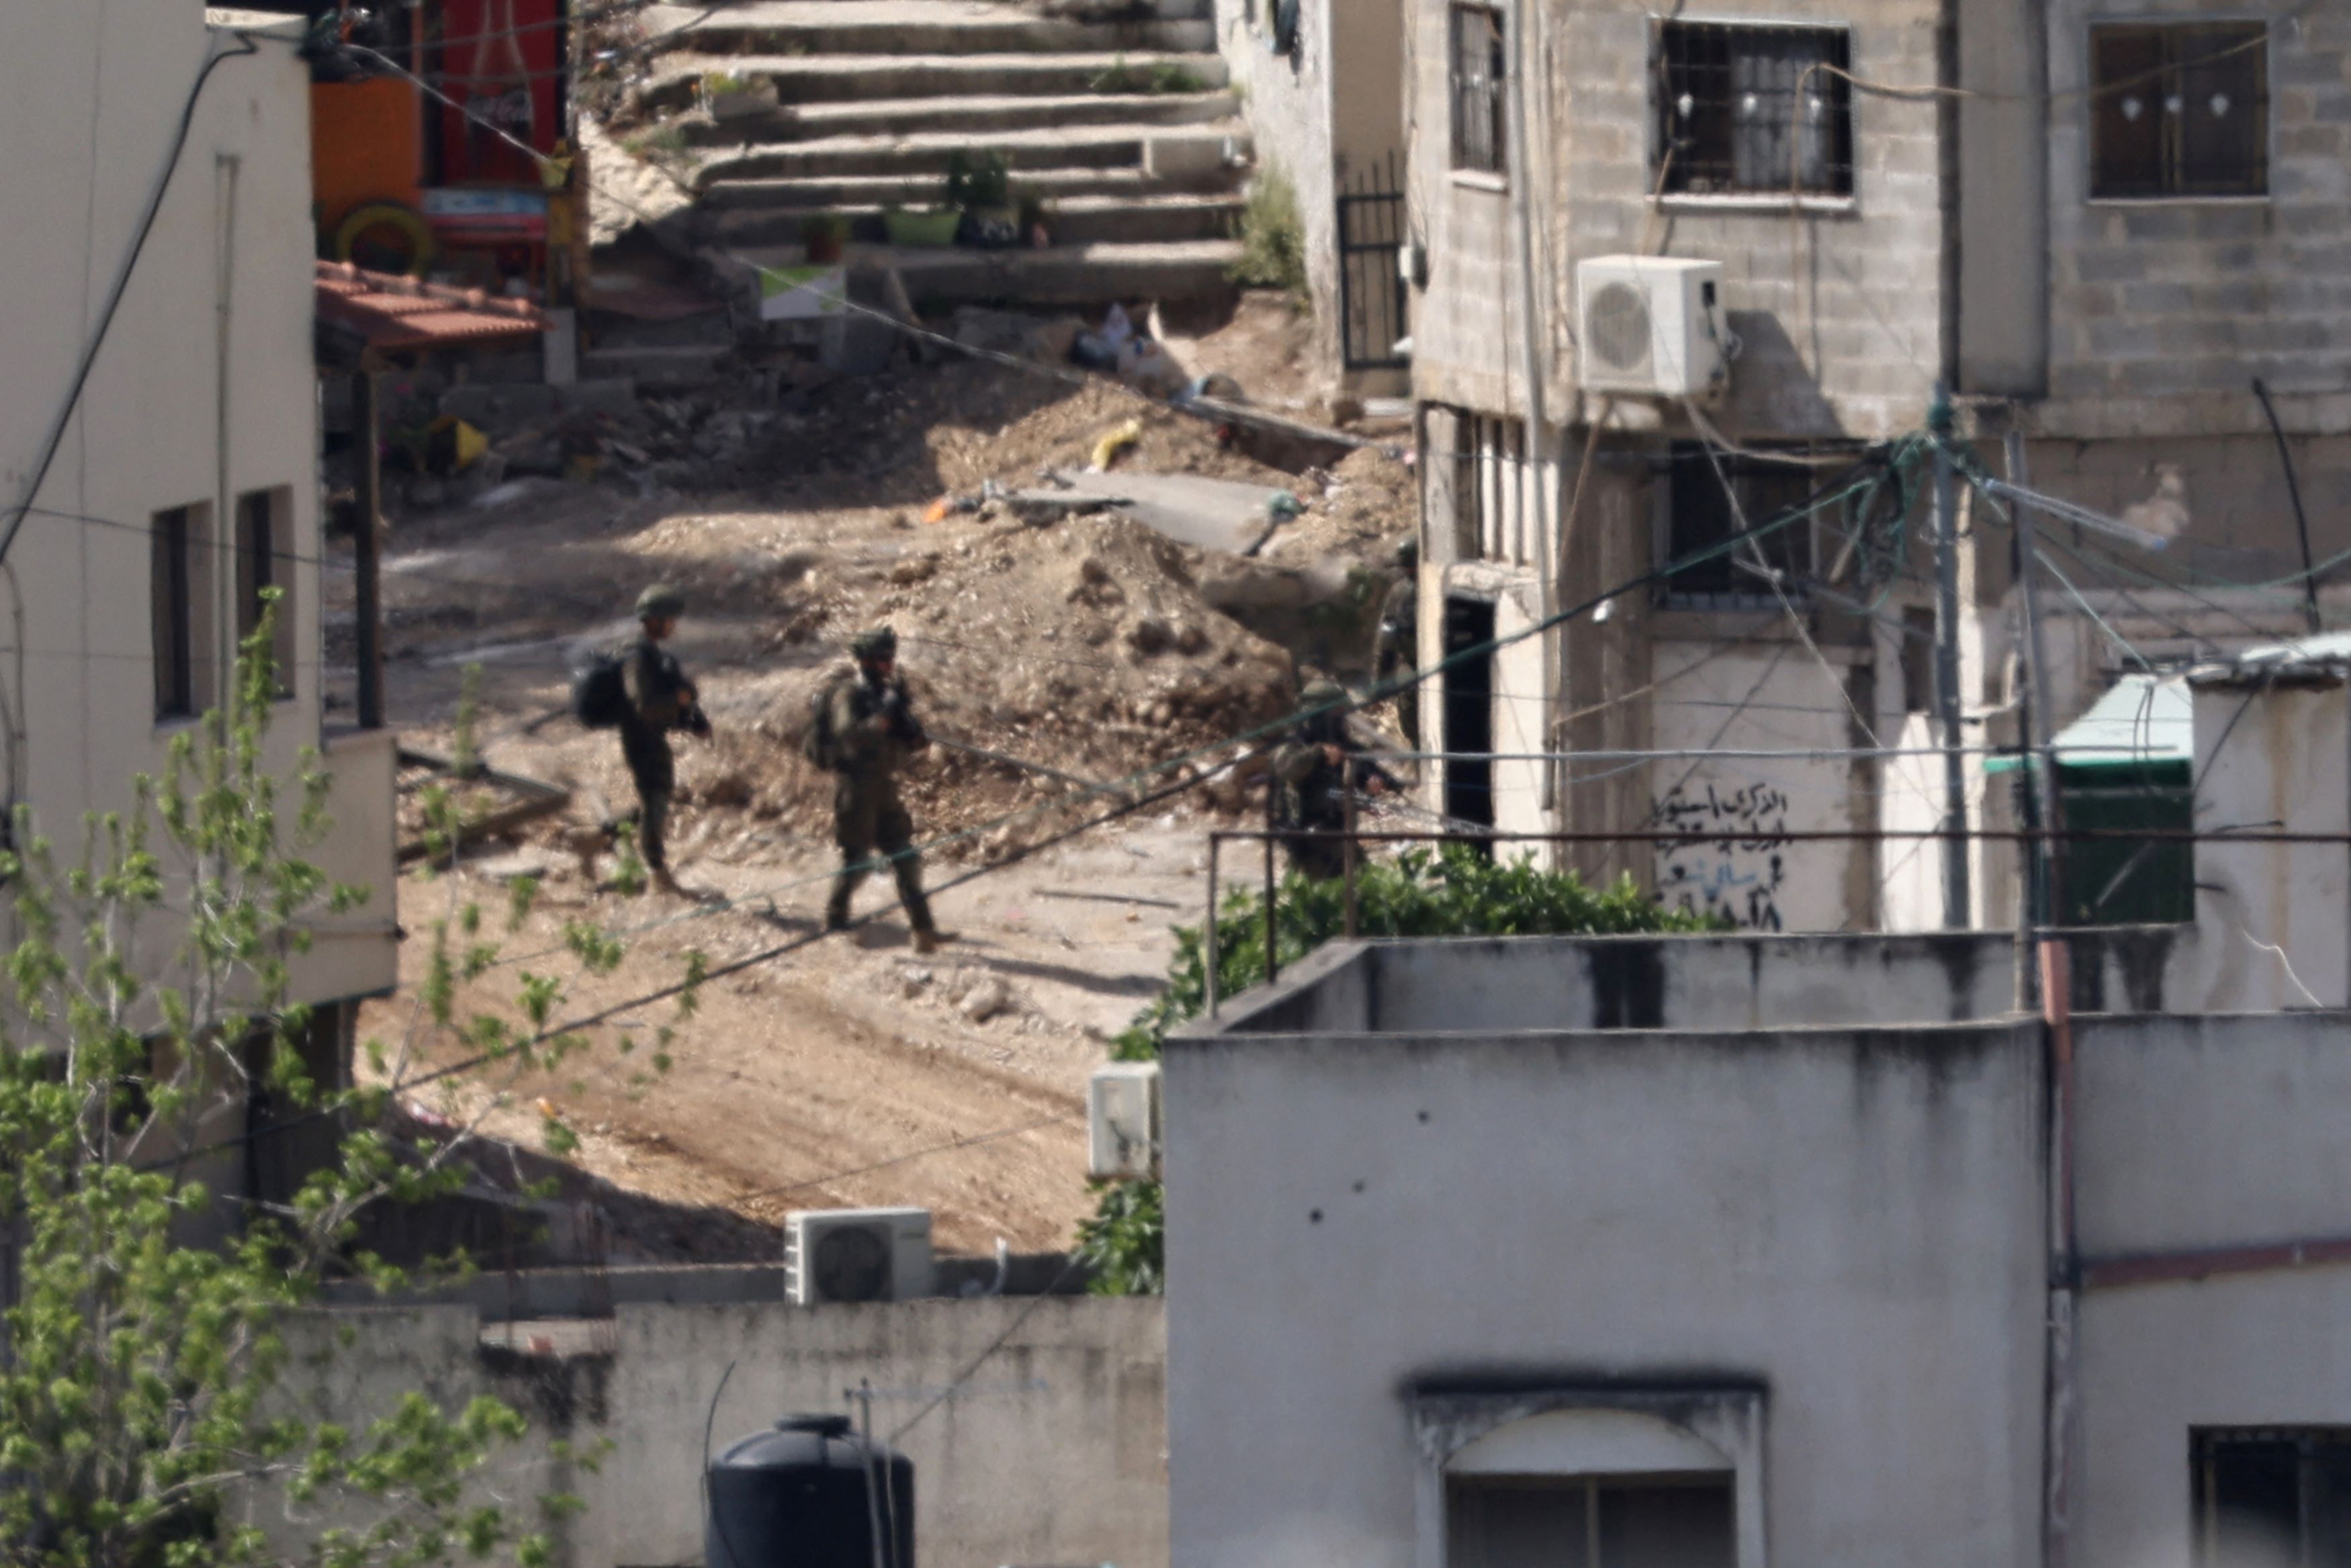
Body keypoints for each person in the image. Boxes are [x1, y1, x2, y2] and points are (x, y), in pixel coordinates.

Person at [818, 627, 954, 953]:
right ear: (865, 661)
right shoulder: (849, 695)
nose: (889, 664)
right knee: (858, 859)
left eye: (891, 658)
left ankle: (923, 930)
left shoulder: (884, 695)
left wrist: (912, 734)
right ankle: (835, 919)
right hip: (856, 789)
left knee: (907, 857)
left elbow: (902, 741)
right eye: (882, 658)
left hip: (884, 787)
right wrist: (883, 718)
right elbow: (848, 734)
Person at [615, 582, 707, 897]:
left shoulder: (653, 656)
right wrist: (678, 699)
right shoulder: (636, 658)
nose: (673, 626)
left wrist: (691, 717)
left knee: (656, 798)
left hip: (652, 738)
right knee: (655, 800)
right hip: (641, 740)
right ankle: (658, 874)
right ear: (655, 620)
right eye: (670, 620)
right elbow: (643, 704)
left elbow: (664, 697)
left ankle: (621, 837)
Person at [1272, 680, 1397, 880]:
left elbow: (1364, 769)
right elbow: (1287, 769)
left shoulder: (1343, 745)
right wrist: (1318, 754)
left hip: (1338, 837)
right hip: (1306, 842)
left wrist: (1374, 781)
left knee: (1363, 888)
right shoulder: (1296, 745)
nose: (1342, 720)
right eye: (1336, 713)